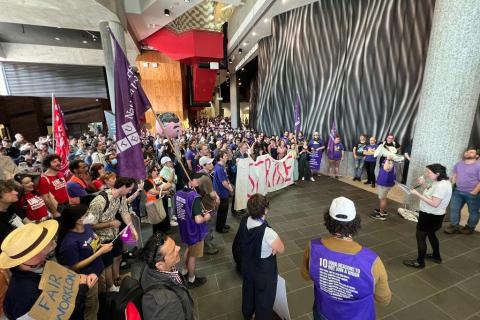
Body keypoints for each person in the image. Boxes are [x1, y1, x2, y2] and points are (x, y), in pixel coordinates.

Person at [301, 197, 391, 320]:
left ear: (328, 220)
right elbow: (384, 299)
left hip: (323, 311)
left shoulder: (313, 247)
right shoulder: (372, 261)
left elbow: (306, 275)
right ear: (355, 222)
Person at [0, 220, 97, 320]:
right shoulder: (27, 296)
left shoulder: (36, 267)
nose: (50, 245)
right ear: (34, 256)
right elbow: (64, 314)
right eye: (44, 247)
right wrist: (82, 288)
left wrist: (78, 279)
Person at [57, 205, 113, 319]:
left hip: (98, 269)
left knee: (100, 298)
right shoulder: (70, 243)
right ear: (77, 220)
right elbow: (74, 266)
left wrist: (102, 246)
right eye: (86, 214)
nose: (90, 216)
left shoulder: (87, 227)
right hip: (87, 278)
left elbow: (93, 244)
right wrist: (100, 252)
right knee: (91, 307)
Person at [86, 177, 138, 292]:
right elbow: (89, 225)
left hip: (115, 234)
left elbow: (124, 212)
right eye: (129, 189)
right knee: (107, 264)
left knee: (118, 257)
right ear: (123, 186)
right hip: (101, 239)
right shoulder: (100, 201)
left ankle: (117, 277)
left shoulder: (121, 196)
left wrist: (132, 229)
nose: (130, 192)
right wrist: (110, 223)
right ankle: (110, 287)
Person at [241, 194, 284, 320]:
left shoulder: (245, 220)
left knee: (248, 290)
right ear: (265, 210)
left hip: (248, 264)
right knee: (264, 295)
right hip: (263, 270)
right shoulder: (268, 232)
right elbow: (281, 248)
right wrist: (274, 248)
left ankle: (248, 313)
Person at [403, 164, 452, 269]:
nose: (427, 174)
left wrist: (417, 194)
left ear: (437, 173)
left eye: (429, 172)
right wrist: (424, 184)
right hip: (435, 215)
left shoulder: (441, 186)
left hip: (430, 215)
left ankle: (420, 262)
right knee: (431, 234)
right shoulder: (441, 182)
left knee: (420, 237)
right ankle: (436, 256)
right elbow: (431, 191)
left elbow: (435, 203)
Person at [141, 232, 194, 320]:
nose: (179, 248)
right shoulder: (167, 303)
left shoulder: (149, 266)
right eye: (173, 250)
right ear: (160, 265)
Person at [175, 172, 211, 288]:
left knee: (188, 249)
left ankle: (185, 270)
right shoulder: (193, 196)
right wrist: (206, 217)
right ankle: (191, 278)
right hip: (194, 231)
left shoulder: (179, 193)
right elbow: (198, 220)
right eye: (196, 179)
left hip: (184, 228)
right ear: (190, 181)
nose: (198, 181)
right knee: (193, 256)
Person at [444, 147, 480, 234]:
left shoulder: (479, 165)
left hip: (472, 193)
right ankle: (454, 226)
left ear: (477, 155)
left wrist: (475, 191)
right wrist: (452, 183)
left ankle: (470, 227)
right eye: (467, 152)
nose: (468, 153)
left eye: (471, 152)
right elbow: (455, 175)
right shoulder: (459, 164)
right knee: (454, 209)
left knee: (473, 211)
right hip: (458, 191)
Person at [197, 156, 220, 254]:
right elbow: (211, 194)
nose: (212, 165)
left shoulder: (199, 174)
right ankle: (207, 247)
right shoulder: (205, 178)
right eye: (209, 164)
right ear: (204, 166)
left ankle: (207, 242)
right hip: (208, 205)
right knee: (209, 226)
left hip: (202, 205)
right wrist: (216, 198)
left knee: (206, 226)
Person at [144, 167, 172, 233]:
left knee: (164, 215)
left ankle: (165, 230)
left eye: (157, 170)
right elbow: (152, 191)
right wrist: (163, 191)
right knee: (156, 218)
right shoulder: (147, 181)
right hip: (153, 203)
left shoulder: (159, 179)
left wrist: (161, 188)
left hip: (162, 200)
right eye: (154, 170)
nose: (157, 172)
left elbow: (169, 184)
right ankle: (157, 233)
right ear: (150, 172)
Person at [213, 150, 234, 233]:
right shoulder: (220, 168)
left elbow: (226, 178)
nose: (227, 157)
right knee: (222, 211)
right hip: (222, 193)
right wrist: (230, 188)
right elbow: (224, 182)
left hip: (222, 192)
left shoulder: (220, 166)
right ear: (220, 158)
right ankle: (220, 228)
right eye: (225, 156)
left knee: (224, 211)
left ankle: (222, 224)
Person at [370, 156, 396, 220]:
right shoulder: (388, 160)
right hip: (383, 182)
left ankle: (381, 215)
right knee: (382, 198)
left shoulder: (390, 162)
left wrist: (388, 159)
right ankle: (382, 210)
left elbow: (386, 168)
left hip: (385, 183)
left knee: (382, 198)